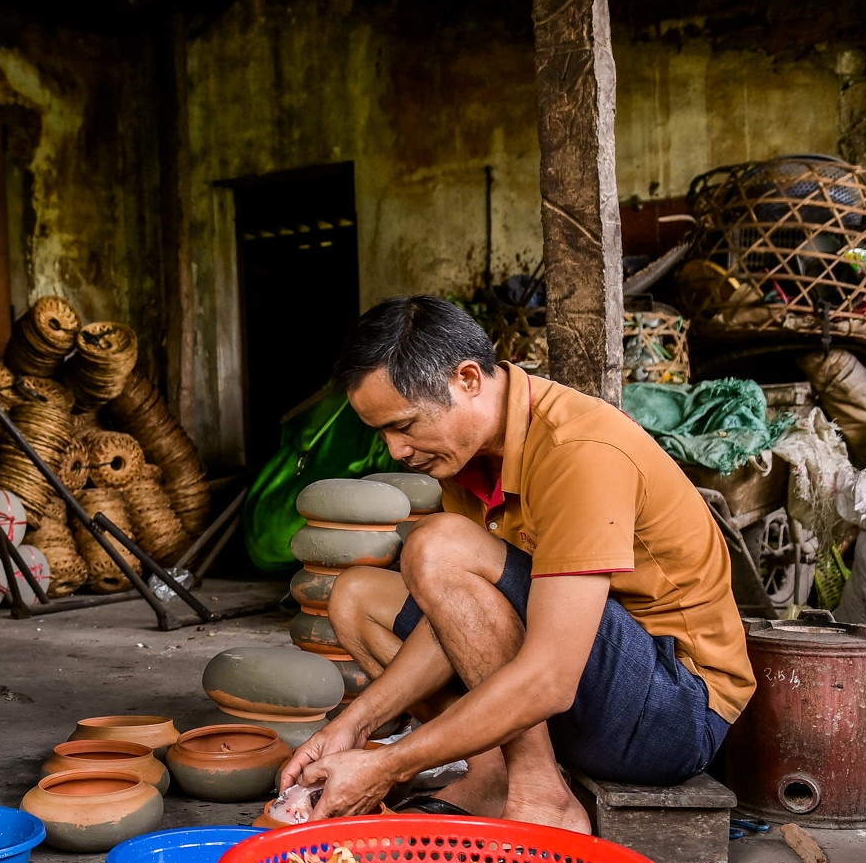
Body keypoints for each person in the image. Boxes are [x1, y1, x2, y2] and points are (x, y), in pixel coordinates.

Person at [279, 296, 753, 831]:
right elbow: (463, 616)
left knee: (438, 546)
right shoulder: (468, 461)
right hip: (580, 693)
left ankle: (541, 793)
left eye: (405, 425)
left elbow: (551, 680)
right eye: (382, 433)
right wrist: (354, 724)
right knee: (357, 597)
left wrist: (388, 765)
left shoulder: (581, 449)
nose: (396, 451)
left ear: (468, 379)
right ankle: (492, 778)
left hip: (671, 711)